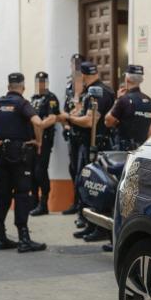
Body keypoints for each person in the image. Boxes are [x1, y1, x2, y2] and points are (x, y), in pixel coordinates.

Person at [0, 73, 49, 253]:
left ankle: (0, 238)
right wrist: (38, 142)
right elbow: (38, 123)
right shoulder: (22, 103)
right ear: (22, 87)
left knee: (3, 195)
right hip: (19, 155)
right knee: (22, 194)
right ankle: (24, 239)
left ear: (8, 87)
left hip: (1, 155)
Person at [62, 60, 115, 243]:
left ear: (83, 75)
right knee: (85, 182)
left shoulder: (100, 92)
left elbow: (90, 121)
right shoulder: (89, 92)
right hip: (85, 144)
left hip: (97, 146)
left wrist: (68, 117)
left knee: (95, 185)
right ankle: (89, 222)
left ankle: (98, 227)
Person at [29, 71, 61, 216]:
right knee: (32, 173)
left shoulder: (51, 98)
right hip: (32, 140)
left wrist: (40, 124)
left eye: (42, 82)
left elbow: (53, 117)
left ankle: (44, 204)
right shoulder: (33, 98)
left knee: (40, 172)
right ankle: (34, 202)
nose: (40, 85)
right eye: (38, 82)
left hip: (45, 141)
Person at [105, 64, 151, 151]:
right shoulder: (150, 102)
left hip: (123, 151)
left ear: (127, 79)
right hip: (141, 150)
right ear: (141, 80)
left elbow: (108, 121)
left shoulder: (124, 100)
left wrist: (117, 100)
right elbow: (150, 131)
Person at [60, 53, 84, 216]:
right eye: (72, 64)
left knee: (82, 170)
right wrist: (65, 125)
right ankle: (75, 202)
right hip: (71, 132)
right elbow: (64, 109)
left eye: (77, 64)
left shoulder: (85, 86)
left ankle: (82, 204)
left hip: (83, 133)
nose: (74, 67)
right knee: (73, 168)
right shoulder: (69, 86)